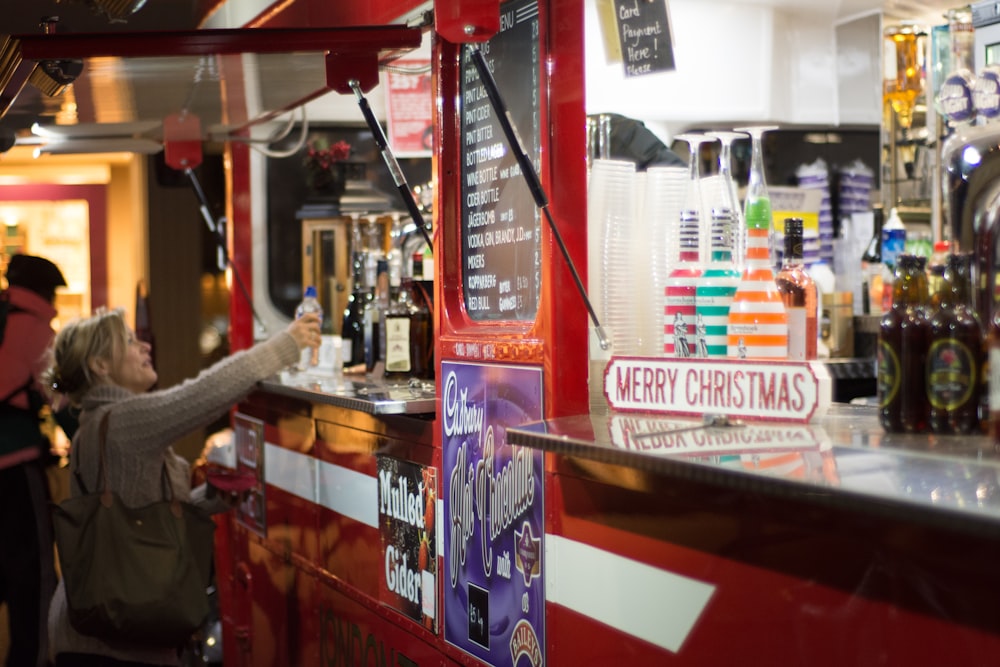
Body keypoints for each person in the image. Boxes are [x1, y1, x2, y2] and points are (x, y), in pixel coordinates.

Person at [43, 306, 320, 666]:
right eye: (128, 341)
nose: (143, 346)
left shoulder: (98, 424)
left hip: (92, 627)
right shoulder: (124, 420)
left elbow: (142, 518)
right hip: (115, 641)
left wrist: (210, 498)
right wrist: (287, 344)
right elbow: (206, 393)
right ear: (100, 366)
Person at [0, 254, 67, 667]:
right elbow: (62, 400)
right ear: (46, 291)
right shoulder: (36, 331)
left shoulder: (2, 318)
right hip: (16, 472)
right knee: (36, 581)